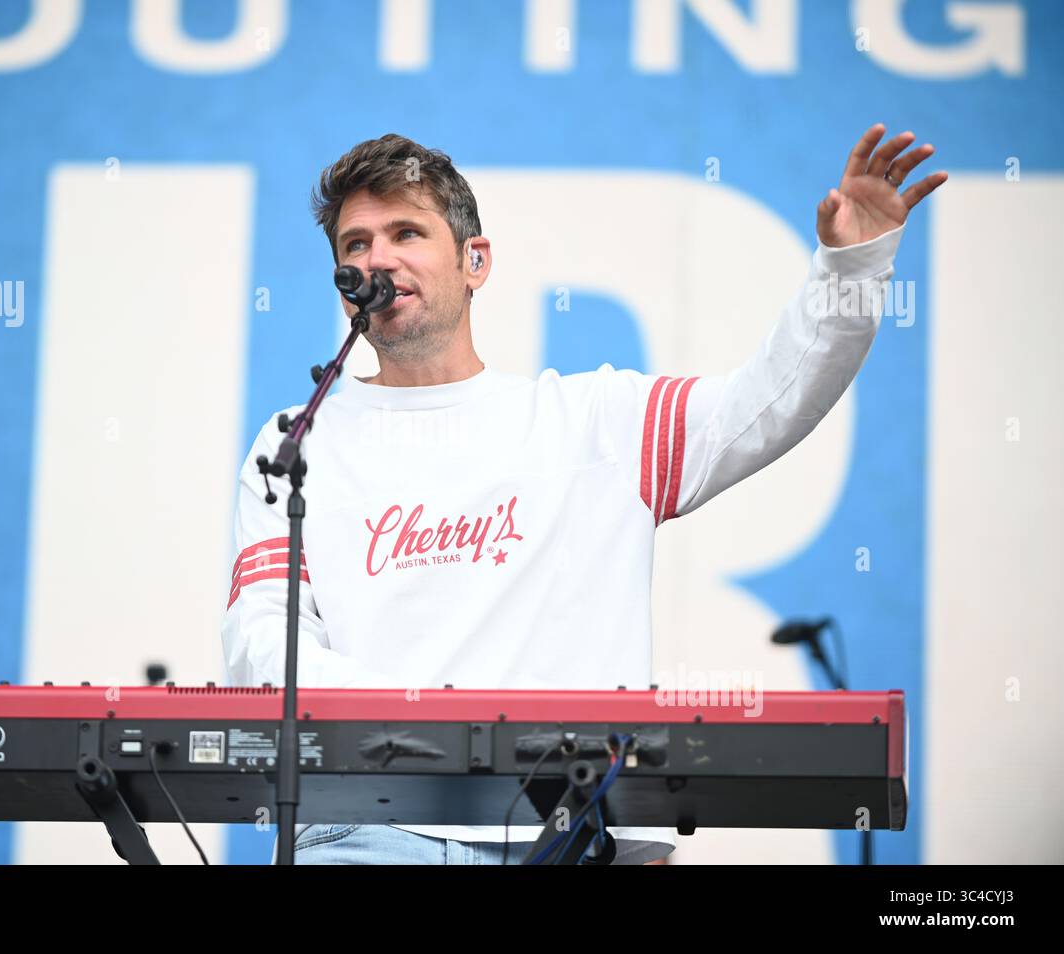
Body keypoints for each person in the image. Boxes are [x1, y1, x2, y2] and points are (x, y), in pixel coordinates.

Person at [221, 128, 945, 865]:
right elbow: (261, 650)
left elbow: (773, 400)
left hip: (565, 835)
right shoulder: (295, 442)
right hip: (363, 833)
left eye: (406, 232)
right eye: (356, 244)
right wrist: (435, 729)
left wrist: (852, 266)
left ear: (477, 262)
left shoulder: (596, 422)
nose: (377, 259)